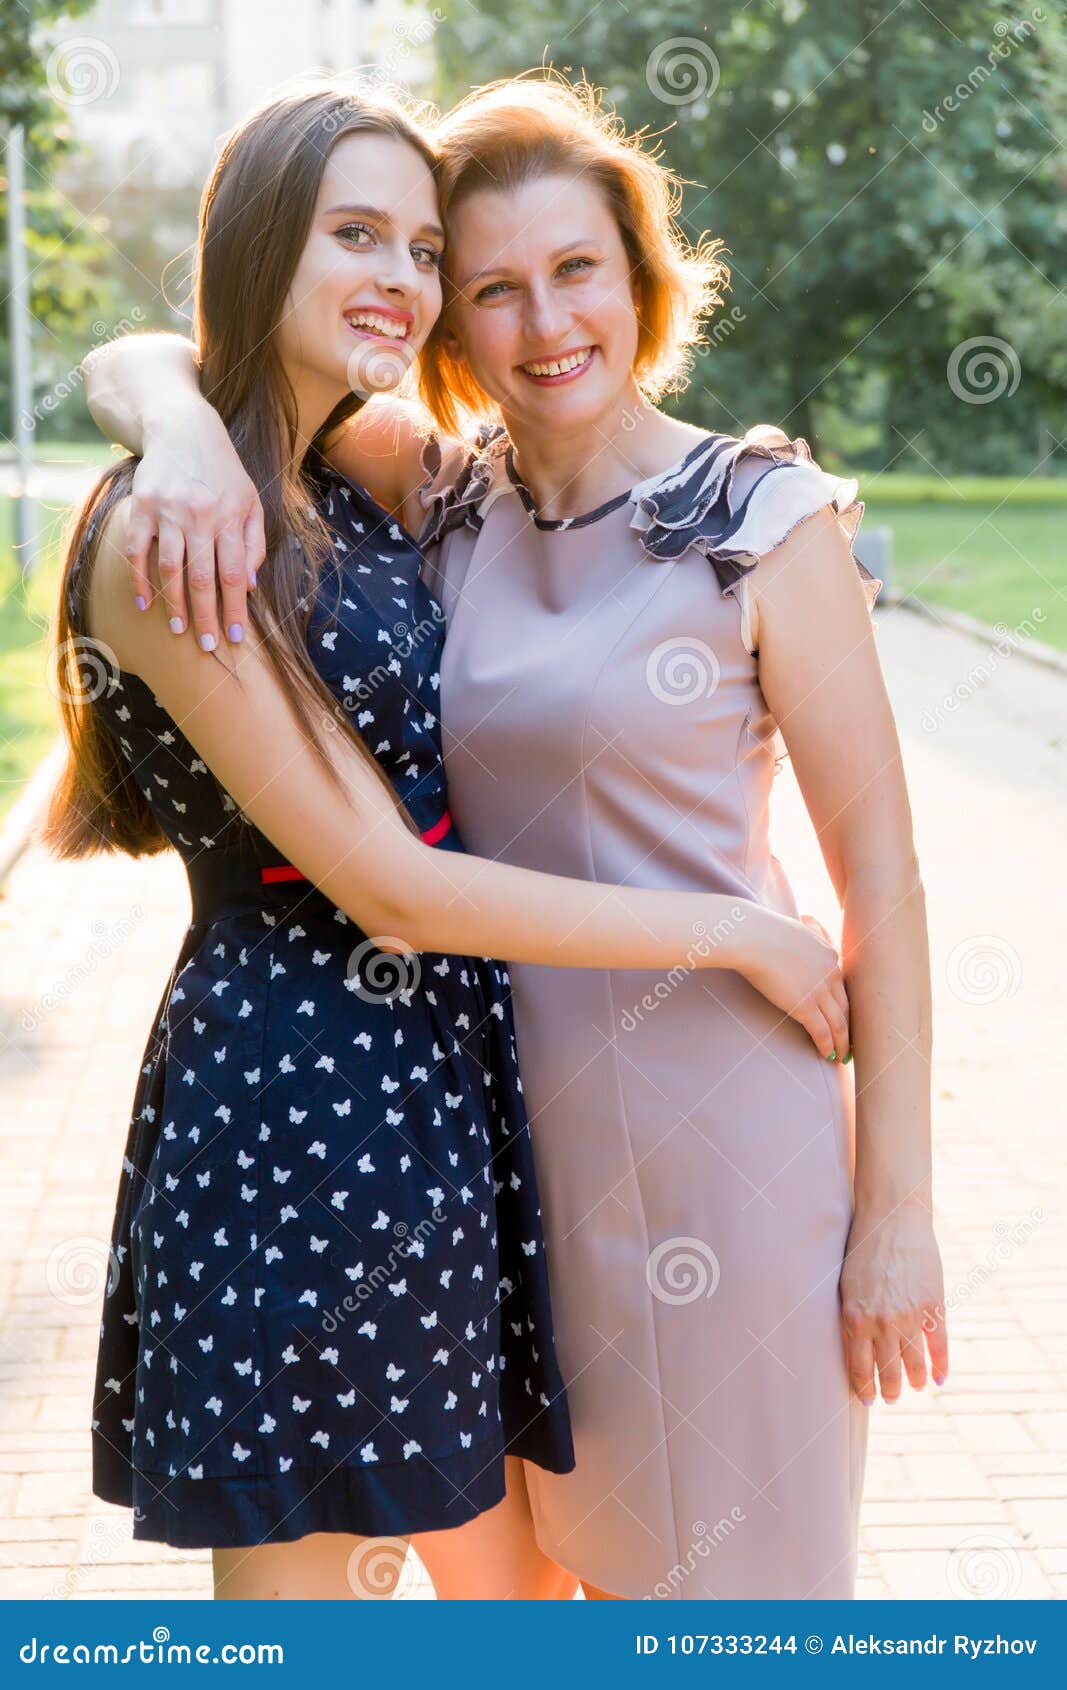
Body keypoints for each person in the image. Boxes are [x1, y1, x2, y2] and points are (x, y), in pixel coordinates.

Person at [77, 72, 943, 1602]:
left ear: (639, 280)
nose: (544, 323)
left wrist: (900, 1210)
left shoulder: (763, 516)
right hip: (497, 1147)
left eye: (577, 272)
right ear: (454, 329)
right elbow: (188, 351)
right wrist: (177, 428)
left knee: (743, 1599)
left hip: (727, 1128)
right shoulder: (439, 494)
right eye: (487, 285)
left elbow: (880, 874)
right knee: (549, 1594)